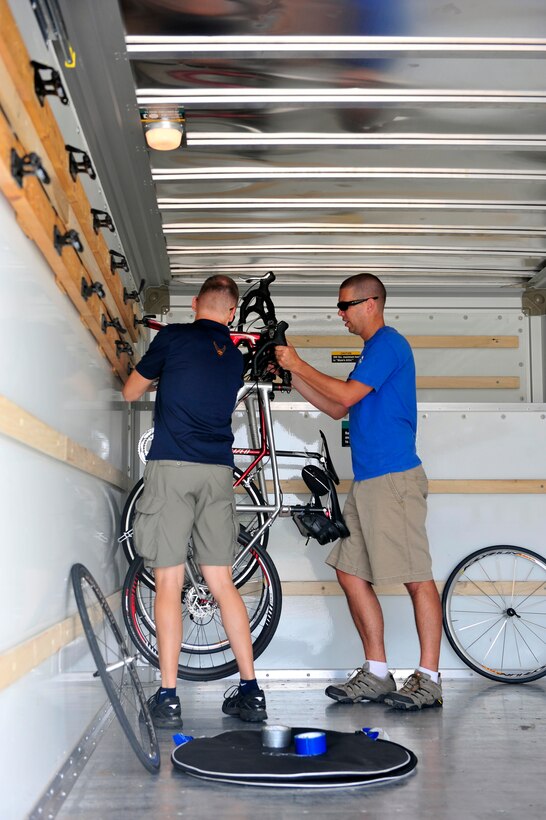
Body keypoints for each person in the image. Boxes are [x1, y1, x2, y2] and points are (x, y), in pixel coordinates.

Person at [275, 273, 443, 711]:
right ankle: (377, 672)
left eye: (346, 305)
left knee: (416, 577)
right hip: (368, 483)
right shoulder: (372, 353)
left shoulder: (388, 343)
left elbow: (346, 394)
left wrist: (298, 363)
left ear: (371, 303)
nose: (341, 314)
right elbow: (337, 406)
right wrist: (290, 377)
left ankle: (428, 678)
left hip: (394, 479)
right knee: (350, 572)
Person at [122, 275, 267, 728]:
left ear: (193, 304)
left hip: (173, 468)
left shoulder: (174, 337)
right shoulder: (235, 358)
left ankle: (168, 699)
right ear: (230, 314)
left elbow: (129, 391)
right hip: (219, 474)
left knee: (168, 583)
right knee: (222, 583)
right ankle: (251, 692)